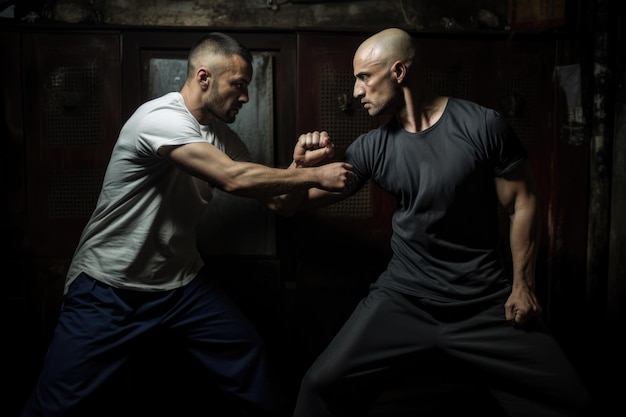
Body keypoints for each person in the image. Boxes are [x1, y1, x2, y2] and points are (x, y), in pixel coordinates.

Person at [19, 32, 353, 417]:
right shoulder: (159, 119)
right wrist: (313, 177)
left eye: (247, 87)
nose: (245, 96)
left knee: (249, 361)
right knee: (58, 404)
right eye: (238, 85)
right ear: (204, 77)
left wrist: (301, 169)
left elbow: (281, 201)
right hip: (109, 287)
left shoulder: (221, 137)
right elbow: (233, 179)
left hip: (180, 287)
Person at [288, 28, 592, 416]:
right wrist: (299, 169)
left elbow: (523, 202)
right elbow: (292, 204)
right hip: (404, 299)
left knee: (573, 402)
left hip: (483, 304)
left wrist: (523, 286)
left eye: (364, 77)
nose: (357, 91)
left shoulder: (483, 126)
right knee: (318, 387)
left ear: (398, 71)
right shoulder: (372, 147)